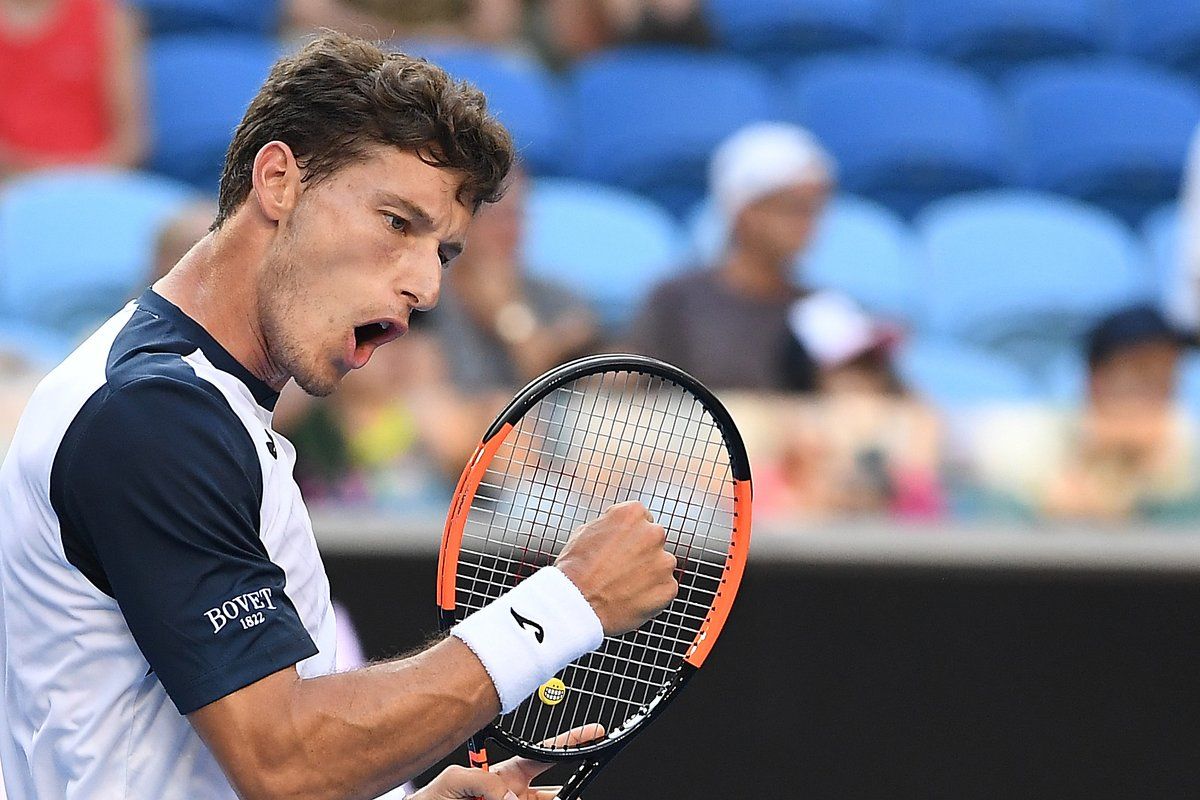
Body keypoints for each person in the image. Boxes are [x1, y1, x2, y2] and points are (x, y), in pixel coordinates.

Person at [0, 32, 678, 799]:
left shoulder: (197, 403)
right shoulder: (152, 414)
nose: (424, 287)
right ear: (280, 181)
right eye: (397, 222)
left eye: (445, 254)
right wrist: (567, 603)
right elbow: (283, 763)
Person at [626, 121, 835, 391]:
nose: (808, 223)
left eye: (815, 208)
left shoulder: (827, 309)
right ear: (744, 213)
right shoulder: (675, 301)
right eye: (793, 207)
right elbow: (637, 397)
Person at [970, 304, 1200, 521]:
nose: (1159, 383)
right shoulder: (1038, 433)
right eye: (1142, 369)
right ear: (1096, 378)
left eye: (1168, 369)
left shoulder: (1181, 437)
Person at [429, 164, 601, 394]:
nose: (509, 231)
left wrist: (508, 314)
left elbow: (584, 387)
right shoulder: (425, 300)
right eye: (494, 217)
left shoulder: (559, 297)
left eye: (517, 215)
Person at [0, 0, 145, 178]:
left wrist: (81, 179)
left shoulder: (108, 19)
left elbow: (131, 140)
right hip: (10, 184)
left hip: (96, 184)